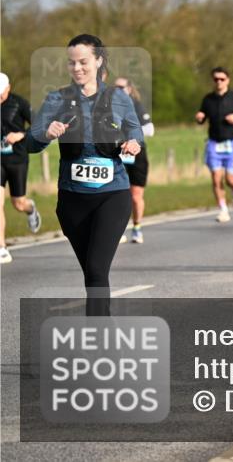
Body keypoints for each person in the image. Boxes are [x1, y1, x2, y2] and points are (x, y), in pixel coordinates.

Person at [26, 34, 143, 315]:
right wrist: (45, 134)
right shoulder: (57, 99)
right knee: (92, 277)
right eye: (71, 63)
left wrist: (134, 143)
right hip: (72, 200)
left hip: (112, 195)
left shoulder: (118, 97)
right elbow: (30, 143)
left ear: (99, 61)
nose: (77, 68)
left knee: (96, 269)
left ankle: (98, 341)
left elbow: (134, 129)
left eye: (83, 62)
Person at [195, 67, 233, 223]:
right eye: (216, 79)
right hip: (213, 143)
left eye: (222, 79)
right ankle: (223, 209)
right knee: (216, 179)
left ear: (228, 80)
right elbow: (202, 117)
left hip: (231, 142)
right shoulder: (208, 99)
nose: (219, 82)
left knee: (230, 179)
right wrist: (200, 117)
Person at [1, 73, 42, 264]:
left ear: (8, 88)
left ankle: (30, 209)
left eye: (1, 93)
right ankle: (2, 248)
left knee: (18, 203)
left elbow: (39, 126)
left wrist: (20, 135)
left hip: (17, 159)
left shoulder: (19, 103)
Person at [113, 78, 154, 243]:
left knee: (135, 195)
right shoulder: (108, 107)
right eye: (115, 87)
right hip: (117, 153)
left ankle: (137, 227)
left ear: (129, 89)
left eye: (121, 87)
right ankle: (118, 229)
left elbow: (150, 129)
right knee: (116, 194)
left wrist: (131, 135)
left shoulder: (136, 105)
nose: (117, 89)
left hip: (137, 154)